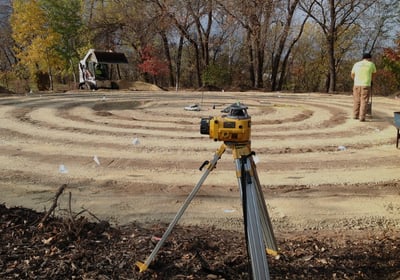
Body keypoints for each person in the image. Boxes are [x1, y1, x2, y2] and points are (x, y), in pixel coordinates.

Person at [351, 52, 376, 122]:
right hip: (366, 84)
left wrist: (356, 80)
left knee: (356, 100)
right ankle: (362, 117)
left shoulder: (356, 64)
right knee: (364, 101)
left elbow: (352, 74)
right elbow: (374, 74)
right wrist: (371, 81)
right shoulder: (371, 64)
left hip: (356, 84)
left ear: (363, 58)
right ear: (369, 58)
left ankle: (355, 115)